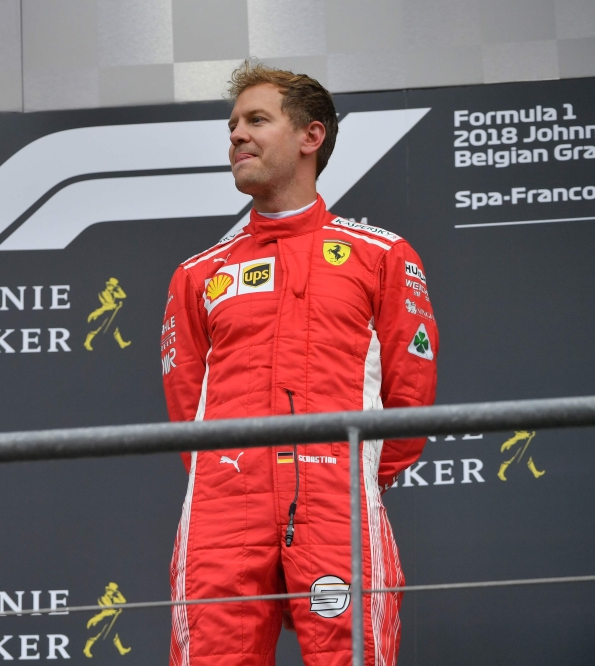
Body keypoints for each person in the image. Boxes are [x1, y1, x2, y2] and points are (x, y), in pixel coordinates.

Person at [161, 62, 438, 666]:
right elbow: (186, 408)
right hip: (220, 513)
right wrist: (233, 473)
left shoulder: (382, 256)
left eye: (257, 120)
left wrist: (347, 471)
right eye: (232, 124)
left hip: (338, 505)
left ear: (312, 136)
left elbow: (409, 399)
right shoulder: (197, 273)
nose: (235, 135)